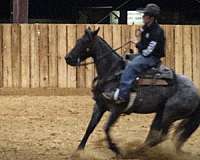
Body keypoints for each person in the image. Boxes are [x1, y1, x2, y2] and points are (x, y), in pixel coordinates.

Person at [103, 3, 166, 103]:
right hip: (145, 55)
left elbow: (148, 51)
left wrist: (138, 45)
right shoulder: (146, 28)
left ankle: (122, 96)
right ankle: (122, 87)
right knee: (124, 60)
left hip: (152, 57)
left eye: (145, 15)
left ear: (151, 18)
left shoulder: (157, 32)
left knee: (131, 66)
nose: (143, 17)